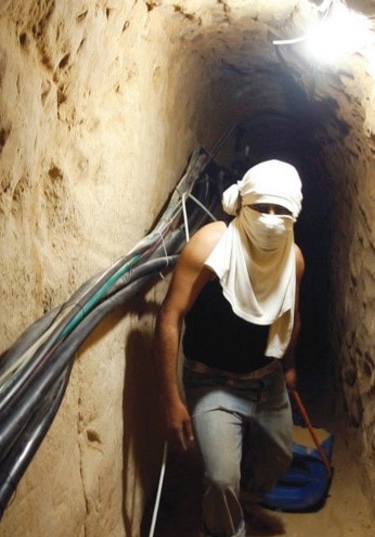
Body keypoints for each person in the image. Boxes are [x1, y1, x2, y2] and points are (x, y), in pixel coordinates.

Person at [154, 159, 305, 537]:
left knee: (278, 459)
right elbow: (170, 316)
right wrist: (172, 399)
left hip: (266, 381)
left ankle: (240, 501)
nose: (271, 219)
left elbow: (290, 315)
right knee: (221, 480)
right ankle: (224, 524)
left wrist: (288, 366)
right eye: (261, 208)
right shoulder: (211, 246)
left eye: (281, 210)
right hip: (213, 382)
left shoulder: (293, 260)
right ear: (242, 205)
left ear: (295, 213)